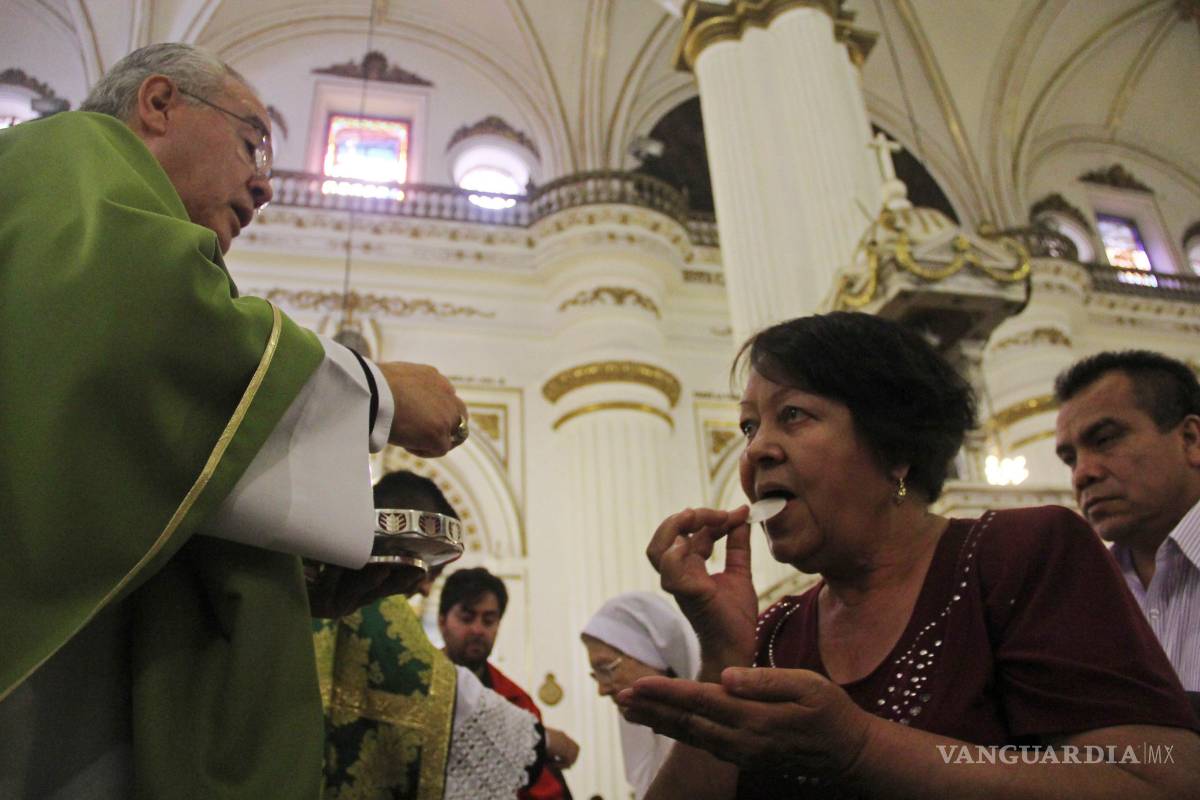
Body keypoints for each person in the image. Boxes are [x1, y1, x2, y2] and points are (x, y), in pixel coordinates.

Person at [0, 43, 468, 799]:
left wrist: (298, 573)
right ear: (157, 105)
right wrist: (378, 396)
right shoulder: (71, 157)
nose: (265, 184)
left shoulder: (111, 222)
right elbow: (146, 337)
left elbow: (105, 466)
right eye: (253, 142)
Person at [618, 312, 1199, 799]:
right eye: (749, 427)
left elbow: (1157, 779)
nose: (757, 450)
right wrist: (723, 654)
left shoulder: (1023, 554)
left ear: (895, 449)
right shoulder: (774, 633)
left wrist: (861, 748)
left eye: (793, 414)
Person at [317, 471, 544, 800]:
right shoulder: (369, 603)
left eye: (489, 619)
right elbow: (423, 686)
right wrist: (543, 739)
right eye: (426, 566)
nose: (424, 587)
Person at [1054, 350, 1200, 707]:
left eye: (1105, 440)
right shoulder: (1078, 600)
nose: (1082, 474)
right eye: (1070, 458)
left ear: (1191, 440)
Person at [440, 567, 580, 799]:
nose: (477, 629)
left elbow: (541, 788)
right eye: (467, 617)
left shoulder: (516, 699)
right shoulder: (418, 681)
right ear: (442, 620)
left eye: (489, 620)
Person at [581, 592, 700, 799]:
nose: (602, 690)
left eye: (606, 668)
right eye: (596, 674)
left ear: (651, 656)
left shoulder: (708, 740)